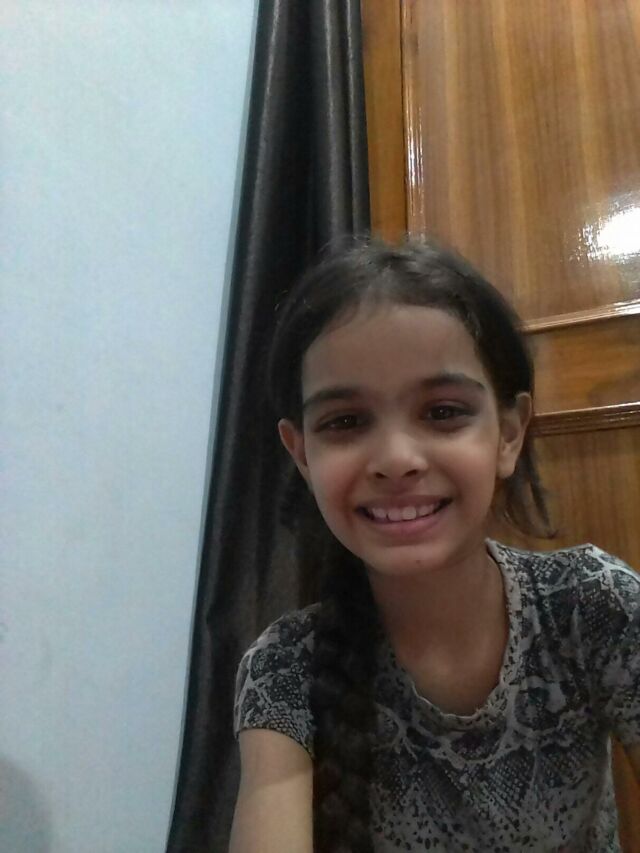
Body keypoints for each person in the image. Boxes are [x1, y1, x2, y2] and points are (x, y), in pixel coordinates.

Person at [229, 238, 640, 852]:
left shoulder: (593, 606)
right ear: (302, 454)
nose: (397, 459)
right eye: (345, 422)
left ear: (508, 434)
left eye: (443, 412)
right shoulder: (284, 669)